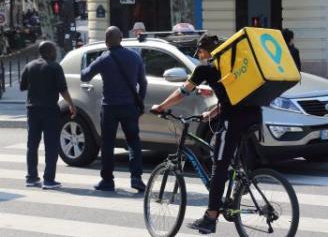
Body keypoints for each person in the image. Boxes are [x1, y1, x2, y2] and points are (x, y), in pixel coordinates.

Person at [151, 35, 261, 234]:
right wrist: (211, 113)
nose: (199, 56)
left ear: (205, 50)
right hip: (254, 116)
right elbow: (231, 97)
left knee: (218, 167)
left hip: (233, 121)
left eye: (199, 52)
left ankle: (210, 218)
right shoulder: (231, 65)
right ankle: (239, 186)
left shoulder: (205, 69)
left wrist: (162, 106)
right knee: (227, 157)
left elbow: (183, 91)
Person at [81, 26, 147, 192]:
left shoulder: (104, 59)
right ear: (121, 38)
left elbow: (85, 76)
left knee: (108, 143)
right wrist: (140, 101)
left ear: (106, 41)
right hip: (130, 106)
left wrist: (91, 62)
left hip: (109, 107)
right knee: (133, 142)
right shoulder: (134, 57)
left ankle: (107, 180)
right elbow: (143, 83)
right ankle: (136, 178)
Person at [20, 41, 77, 189]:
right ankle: (49, 180)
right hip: (50, 110)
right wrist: (71, 104)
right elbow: (63, 90)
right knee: (51, 145)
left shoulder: (30, 66)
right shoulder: (55, 67)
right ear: (49, 52)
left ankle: (31, 178)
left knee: (32, 145)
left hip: (32, 110)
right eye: (54, 50)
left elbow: (22, 86)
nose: (56, 53)